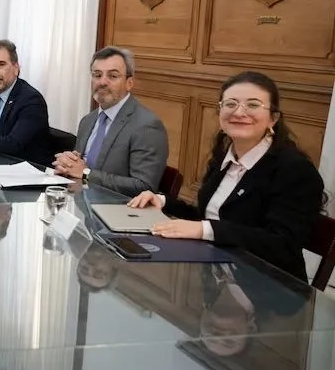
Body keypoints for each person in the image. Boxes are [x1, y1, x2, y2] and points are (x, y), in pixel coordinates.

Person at [128, 71, 325, 281]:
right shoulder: (225, 156)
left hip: (268, 286)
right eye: (230, 104)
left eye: (253, 105)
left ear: (273, 118)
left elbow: (282, 244)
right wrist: (163, 201)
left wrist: (204, 229)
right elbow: (211, 216)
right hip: (217, 274)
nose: (239, 112)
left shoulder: (295, 170)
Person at [52, 46, 168, 196]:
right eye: (97, 75)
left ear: (129, 83)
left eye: (113, 76)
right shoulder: (88, 120)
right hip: (80, 201)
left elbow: (144, 186)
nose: (102, 82)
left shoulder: (147, 126)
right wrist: (68, 165)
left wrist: (86, 174)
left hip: (119, 208)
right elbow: (79, 170)